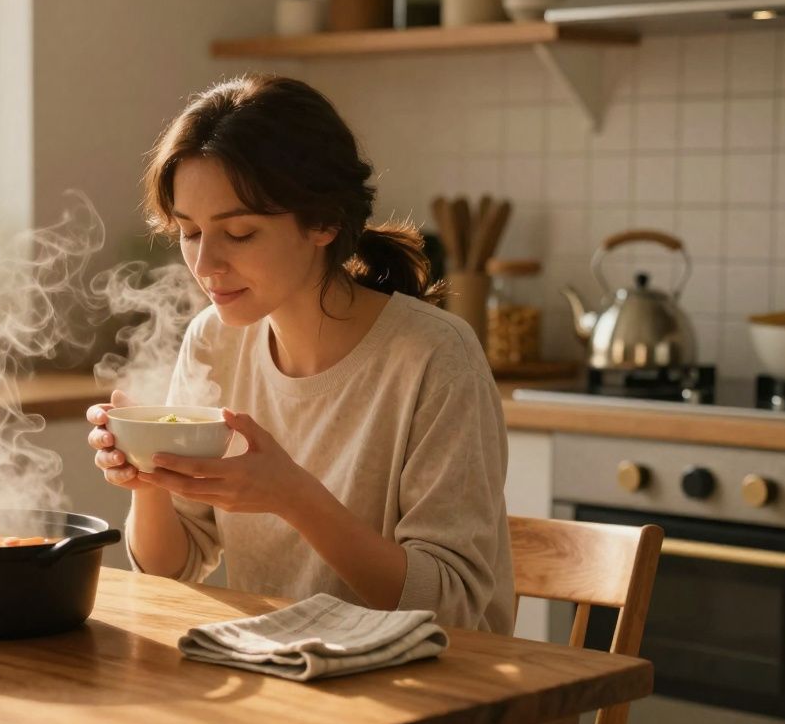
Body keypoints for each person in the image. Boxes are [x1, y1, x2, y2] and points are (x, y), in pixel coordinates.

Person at [85, 74, 513, 633]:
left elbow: (451, 608)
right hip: (281, 666)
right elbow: (173, 568)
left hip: (430, 676)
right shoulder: (213, 341)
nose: (205, 265)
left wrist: (294, 497)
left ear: (324, 221)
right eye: (189, 233)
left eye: (240, 233)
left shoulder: (436, 356)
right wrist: (148, 481)